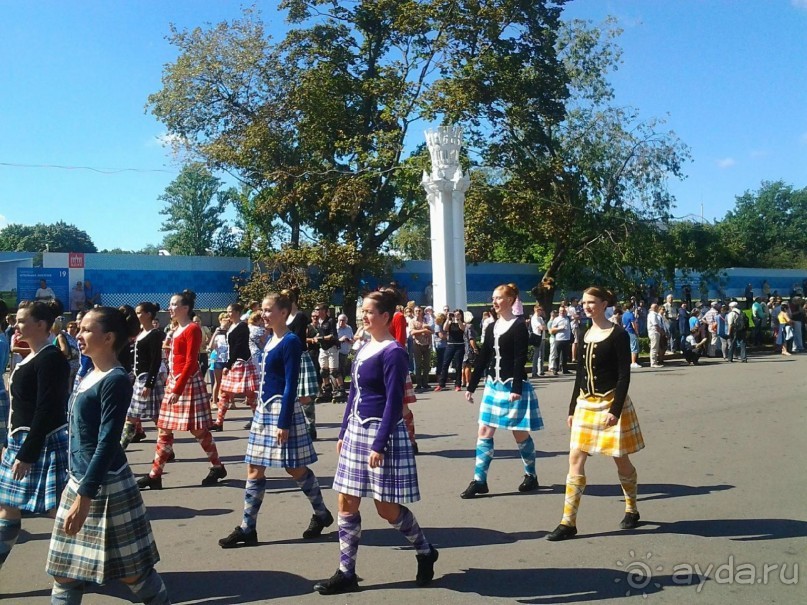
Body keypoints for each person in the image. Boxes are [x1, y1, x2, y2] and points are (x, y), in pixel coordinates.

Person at [313, 290, 438, 595]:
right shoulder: (365, 347)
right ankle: (346, 571)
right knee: (346, 500)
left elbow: (395, 401)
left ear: (385, 316)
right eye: (363, 311)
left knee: (386, 509)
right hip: (357, 431)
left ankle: (425, 550)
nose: (364, 316)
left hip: (382, 433)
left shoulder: (394, 352)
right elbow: (354, 393)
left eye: (369, 312)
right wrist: (343, 431)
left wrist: (379, 444)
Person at [45, 306, 169, 604]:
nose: (78, 334)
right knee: (64, 572)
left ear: (109, 337)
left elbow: (108, 441)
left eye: (86, 329)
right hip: (79, 480)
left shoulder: (115, 379)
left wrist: (85, 496)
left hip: (105, 485)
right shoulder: (90, 373)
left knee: (133, 573)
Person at [219, 293, 333, 548]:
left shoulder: (291, 341)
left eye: (269, 310)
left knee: (295, 468)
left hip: (282, 409)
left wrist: (283, 422)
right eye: (263, 310)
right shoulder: (271, 338)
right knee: (254, 468)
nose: (264, 314)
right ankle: (248, 527)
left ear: (284, 313)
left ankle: (321, 513)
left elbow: (291, 383)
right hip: (264, 409)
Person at [546, 287, 644, 542]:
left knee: (620, 459)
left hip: (610, 402)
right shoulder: (584, 332)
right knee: (575, 458)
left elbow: (624, 376)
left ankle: (631, 508)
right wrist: (572, 409)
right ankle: (568, 522)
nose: (586, 306)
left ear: (604, 304)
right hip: (585, 404)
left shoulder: (618, 334)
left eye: (591, 302)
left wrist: (615, 410)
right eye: (584, 302)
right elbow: (580, 374)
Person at [0, 300, 69, 571]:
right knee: (7, 506)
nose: (15, 325)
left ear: (40, 325)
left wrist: (28, 452)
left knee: (57, 510)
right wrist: (9, 443)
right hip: (21, 440)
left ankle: (82, 559)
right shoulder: (31, 355)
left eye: (21, 320)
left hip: (40, 441)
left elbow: (46, 408)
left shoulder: (50, 358)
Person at [137, 290, 226, 490]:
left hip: (187, 383)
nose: (170, 307)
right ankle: (155, 474)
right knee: (164, 428)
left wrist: (178, 388)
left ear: (185, 308)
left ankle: (217, 466)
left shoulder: (192, 328)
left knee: (198, 430)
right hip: (174, 382)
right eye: (170, 304)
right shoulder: (176, 329)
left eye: (174, 304)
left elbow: (191, 361)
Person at [462, 284, 544, 498]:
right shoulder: (491, 326)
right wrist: (471, 386)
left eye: (498, 298)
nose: (494, 302)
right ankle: (479, 480)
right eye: (493, 298)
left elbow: (519, 358)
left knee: (520, 433)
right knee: (484, 431)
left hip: (512, 386)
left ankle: (531, 475)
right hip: (493, 385)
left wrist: (516, 388)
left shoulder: (519, 326)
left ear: (510, 300)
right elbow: (484, 357)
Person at [121, 302, 166, 449]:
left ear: (148, 315)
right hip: (139, 379)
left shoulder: (154, 334)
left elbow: (155, 360)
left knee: (157, 418)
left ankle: (166, 449)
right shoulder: (141, 333)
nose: (137, 315)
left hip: (148, 379)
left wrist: (149, 383)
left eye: (140, 312)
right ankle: (120, 449)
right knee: (132, 416)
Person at [212, 303, 261, 431]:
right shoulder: (231, 326)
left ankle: (258, 419)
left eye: (230, 311)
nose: (228, 314)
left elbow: (238, 346)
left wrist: (228, 364)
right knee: (224, 393)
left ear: (237, 312)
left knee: (250, 393)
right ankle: (219, 422)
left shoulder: (243, 326)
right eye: (227, 311)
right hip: (234, 362)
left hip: (241, 362)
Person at [281, 288, 319, 440]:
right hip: (286, 358)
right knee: (288, 394)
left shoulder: (300, 316)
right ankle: (294, 426)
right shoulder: (284, 317)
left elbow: (296, 338)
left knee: (305, 396)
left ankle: (310, 426)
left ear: (291, 300)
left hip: (300, 357)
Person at [436, 309, 465, 391]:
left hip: (459, 346)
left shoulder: (462, 323)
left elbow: (462, 328)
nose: (456, 315)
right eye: (455, 314)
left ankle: (458, 385)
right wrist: (448, 319)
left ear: (461, 315)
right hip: (450, 345)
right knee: (445, 364)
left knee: (458, 365)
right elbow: (445, 328)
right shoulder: (450, 322)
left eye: (458, 314)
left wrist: (458, 320)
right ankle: (441, 384)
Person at [206, 312, 231, 410]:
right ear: (220, 321)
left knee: (229, 382)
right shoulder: (218, 333)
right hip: (219, 360)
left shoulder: (230, 331)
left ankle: (230, 401)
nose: (227, 321)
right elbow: (211, 347)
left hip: (229, 360)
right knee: (218, 381)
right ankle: (214, 401)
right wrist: (215, 334)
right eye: (224, 319)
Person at [408, 307, 432, 392]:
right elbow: (412, 332)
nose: (418, 312)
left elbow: (431, 331)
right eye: (416, 311)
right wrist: (424, 330)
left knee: (426, 365)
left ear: (422, 312)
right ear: (414, 312)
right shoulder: (412, 321)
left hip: (427, 344)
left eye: (419, 311)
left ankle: (425, 382)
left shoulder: (426, 320)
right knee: (418, 365)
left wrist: (428, 329)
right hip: (417, 344)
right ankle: (418, 383)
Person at [548, 306, 571, 375]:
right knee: (557, 355)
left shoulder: (567, 318)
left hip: (566, 339)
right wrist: (560, 328)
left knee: (565, 355)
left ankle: (564, 369)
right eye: (561, 311)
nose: (562, 312)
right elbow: (552, 330)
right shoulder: (556, 319)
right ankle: (555, 369)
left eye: (563, 311)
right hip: (559, 339)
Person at [621, 301, 641, 369]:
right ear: (631, 307)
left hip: (626, 331)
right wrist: (637, 332)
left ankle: (629, 361)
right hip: (631, 331)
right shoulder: (631, 314)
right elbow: (634, 324)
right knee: (634, 347)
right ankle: (633, 362)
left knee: (628, 347)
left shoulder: (624, 314)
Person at [529, 304, 546, 378]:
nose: (541, 311)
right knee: (536, 355)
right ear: (536, 310)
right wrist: (542, 327)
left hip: (542, 337)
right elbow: (542, 327)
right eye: (540, 310)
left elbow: (545, 327)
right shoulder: (534, 318)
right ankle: (534, 372)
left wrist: (543, 327)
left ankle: (540, 370)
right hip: (537, 337)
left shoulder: (540, 318)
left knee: (541, 355)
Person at [646, 303, 663, 368]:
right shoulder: (653, 315)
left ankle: (654, 362)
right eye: (657, 307)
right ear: (655, 308)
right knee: (654, 348)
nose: (658, 308)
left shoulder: (652, 314)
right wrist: (661, 331)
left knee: (655, 347)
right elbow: (655, 324)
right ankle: (653, 363)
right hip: (654, 332)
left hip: (654, 332)